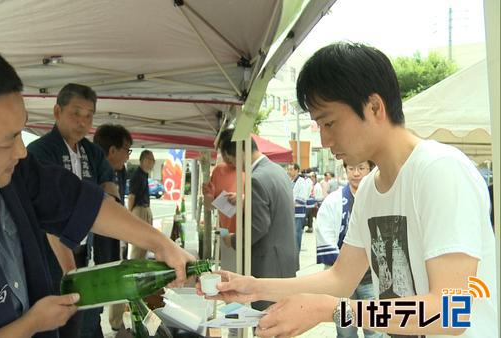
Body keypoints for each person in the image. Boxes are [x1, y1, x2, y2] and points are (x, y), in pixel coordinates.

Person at [198, 42, 497, 338]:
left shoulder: (439, 171)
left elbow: (451, 311)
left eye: (329, 123)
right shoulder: (368, 189)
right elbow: (339, 279)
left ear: (374, 107)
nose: (326, 140)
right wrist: (254, 287)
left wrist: (335, 310)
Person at [0, 39, 193, 338]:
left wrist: (161, 244)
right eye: (7, 141)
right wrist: (32, 324)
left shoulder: (9, 170)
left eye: (21, 132)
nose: (21, 152)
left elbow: (76, 201)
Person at [27, 83, 119, 338]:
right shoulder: (40, 151)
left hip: (82, 249)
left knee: (76, 320)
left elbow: (108, 190)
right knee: (54, 320)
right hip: (48, 253)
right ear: (57, 111)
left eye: (89, 115)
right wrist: (71, 272)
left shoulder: (92, 152)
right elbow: (47, 217)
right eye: (76, 113)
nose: (83, 121)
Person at [217, 128, 299, 310]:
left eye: (231, 161)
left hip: (267, 264)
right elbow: (274, 207)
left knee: (266, 321)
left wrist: (233, 239)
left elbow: (258, 226)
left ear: (241, 153)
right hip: (283, 260)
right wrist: (246, 201)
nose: (234, 167)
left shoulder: (256, 179)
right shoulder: (277, 171)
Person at [316, 161, 381, 338]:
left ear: (370, 170)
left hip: (372, 279)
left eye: (361, 168)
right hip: (343, 280)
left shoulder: (380, 199)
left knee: (375, 331)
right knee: (345, 332)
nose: (356, 173)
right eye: (351, 168)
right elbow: (324, 234)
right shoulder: (334, 200)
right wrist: (345, 270)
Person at [93, 123, 133, 331]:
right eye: (127, 150)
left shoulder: (118, 171)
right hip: (93, 253)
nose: (128, 156)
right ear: (112, 150)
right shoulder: (95, 173)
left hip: (109, 245)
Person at [128, 150, 155, 259]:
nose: (153, 162)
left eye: (153, 160)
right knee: (139, 244)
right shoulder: (137, 175)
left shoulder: (144, 175)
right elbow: (131, 196)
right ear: (143, 160)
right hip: (139, 210)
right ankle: (135, 270)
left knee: (145, 244)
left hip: (145, 209)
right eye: (151, 160)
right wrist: (129, 214)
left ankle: (140, 268)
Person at [287, 163, 308, 253]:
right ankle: (292, 251)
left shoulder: (301, 181)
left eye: (291, 169)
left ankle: (296, 252)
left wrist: (290, 202)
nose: (289, 171)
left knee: (297, 233)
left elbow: (302, 198)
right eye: (288, 169)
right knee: (291, 234)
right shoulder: (290, 181)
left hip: (298, 211)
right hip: (290, 211)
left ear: (296, 170)